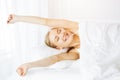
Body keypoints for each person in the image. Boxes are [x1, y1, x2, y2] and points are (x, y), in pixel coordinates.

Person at [7, 14, 80, 76]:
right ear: (59, 47)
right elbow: (55, 58)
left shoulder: (74, 27)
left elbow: (46, 21)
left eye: (59, 31)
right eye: (57, 39)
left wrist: (18, 18)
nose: (61, 34)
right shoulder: (75, 53)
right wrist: (29, 65)